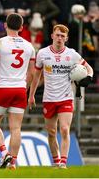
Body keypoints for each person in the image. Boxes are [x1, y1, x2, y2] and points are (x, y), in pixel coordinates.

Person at [28, 24, 94, 169]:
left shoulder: (72, 54)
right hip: (49, 98)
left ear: (66, 38)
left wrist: (88, 77)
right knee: (51, 132)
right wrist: (31, 95)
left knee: (64, 129)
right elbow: (36, 76)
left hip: (66, 97)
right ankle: (56, 160)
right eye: (57, 35)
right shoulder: (42, 53)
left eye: (62, 36)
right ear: (52, 36)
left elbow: (89, 68)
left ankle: (63, 162)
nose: (59, 38)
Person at [0, 13, 35, 169]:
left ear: (5, 25)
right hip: (20, 90)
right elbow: (32, 73)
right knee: (16, 128)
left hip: (3, 88)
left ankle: (4, 153)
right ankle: (13, 163)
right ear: (22, 28)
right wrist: (25, 87)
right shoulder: (29, 46)